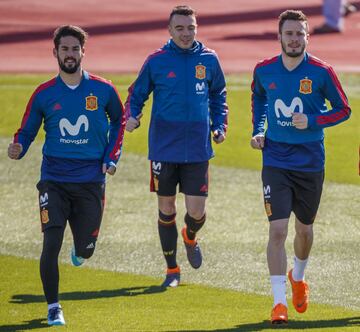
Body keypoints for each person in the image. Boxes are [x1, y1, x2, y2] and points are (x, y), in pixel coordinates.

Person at [8, 25, 126, 326]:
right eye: (65, 49)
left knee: (86, 249)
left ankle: (80, 247)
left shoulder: (103, 90)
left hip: (90, 180)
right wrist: (19, 146)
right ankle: (53, 307)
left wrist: (111, 156)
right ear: (55, 53)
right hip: (54, 179)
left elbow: (120, 122)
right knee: (51, 243)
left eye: (75, 49)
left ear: (83, 52)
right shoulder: (44, 94)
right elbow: (28, 129)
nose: (70, 54)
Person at [250, 10, 351, 324]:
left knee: (304, 230)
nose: (294, 39)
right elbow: (259, 99)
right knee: (277, 229)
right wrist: (259, 129)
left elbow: (343, 110)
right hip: (276, 159)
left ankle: (299, 276)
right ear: (279, 35)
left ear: (308, 37)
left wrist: (313, 120)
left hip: (309, 160)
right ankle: (278, 303)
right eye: (289, 33)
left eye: (300, 34)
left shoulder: (322, 72)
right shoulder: (264, 70)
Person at [125, 5, 228, 288]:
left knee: (196, 211)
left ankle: (190, 236)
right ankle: (172, 270)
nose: (186, 33)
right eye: (180, 28)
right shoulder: (156, 60)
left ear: (197, 28)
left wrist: (220, 125)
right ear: (169, 31)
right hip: (163, 148)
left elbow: (219, 94)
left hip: (197, 148)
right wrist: (131, 115)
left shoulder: (209, 59)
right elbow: (136, 93)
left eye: (191, 28)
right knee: (166, 207)